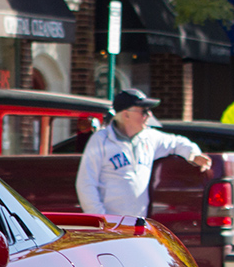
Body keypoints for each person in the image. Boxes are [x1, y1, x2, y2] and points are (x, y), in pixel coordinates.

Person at [76, 88, 211, 218]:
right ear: (126, 114)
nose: (149, 115)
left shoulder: (149, 137)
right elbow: (86, 183)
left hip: (137, 223)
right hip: (110, 225)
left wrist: (193, 153)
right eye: (144, 111)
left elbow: (177, 142)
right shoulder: (101, 140)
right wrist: (101, 218)